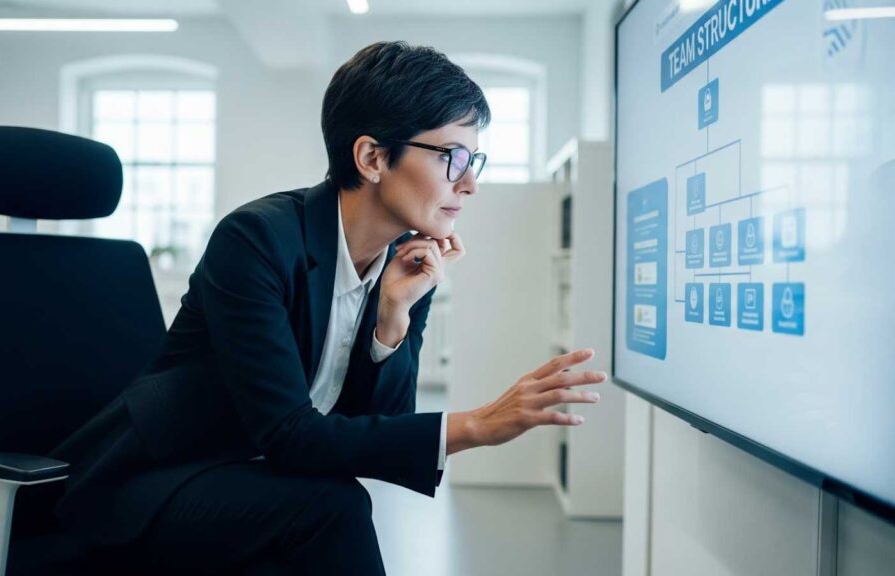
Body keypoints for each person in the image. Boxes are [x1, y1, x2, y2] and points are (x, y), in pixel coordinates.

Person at [49, 41, 606, 575]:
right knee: (332, 509)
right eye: (452, 157)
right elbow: (289, 436)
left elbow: (382, 430)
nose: (469, 185)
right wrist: (477, 425)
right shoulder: (256, 240)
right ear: (372, 157)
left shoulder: (407, 263)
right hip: (157, 481)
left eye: (474, 160)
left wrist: (392, 319)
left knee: (322, 517)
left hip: (255, 482)